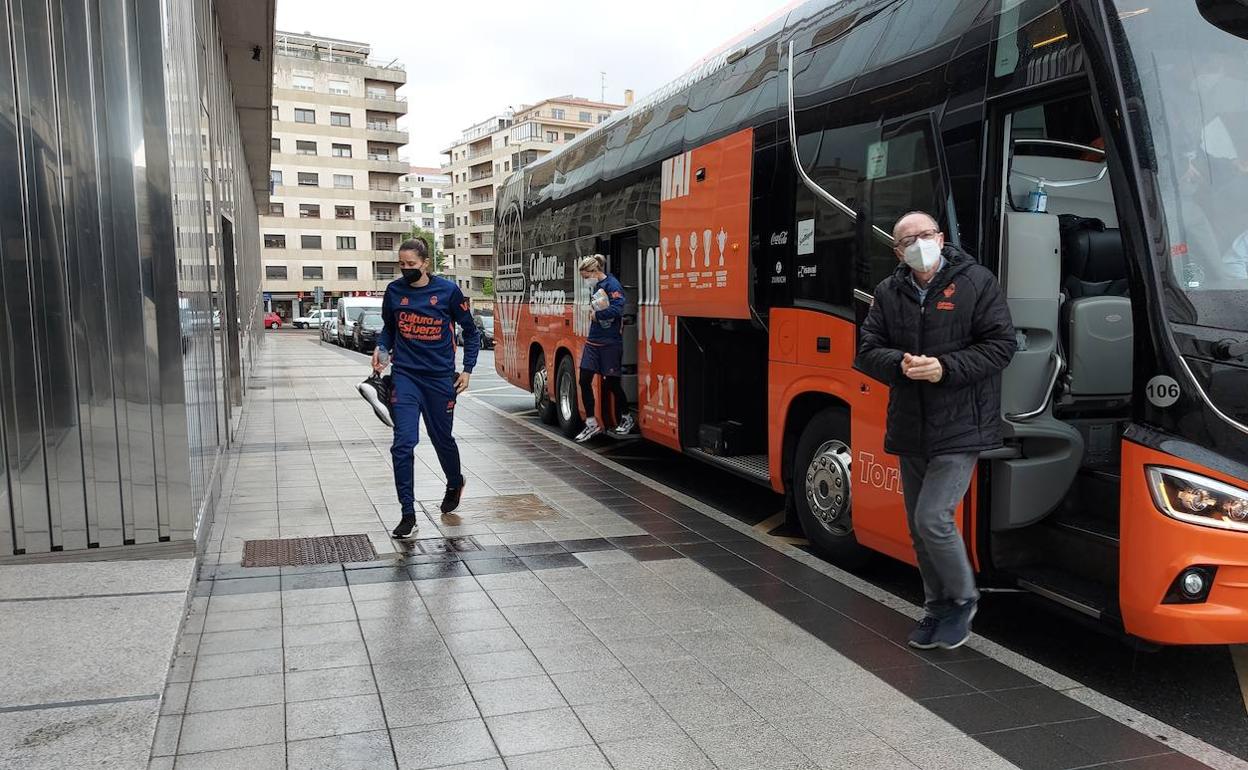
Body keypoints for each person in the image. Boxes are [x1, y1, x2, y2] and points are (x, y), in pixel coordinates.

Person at [855, 212, 1016, 650]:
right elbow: (867, 351)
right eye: (908, 240)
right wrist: (901, 366)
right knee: (917, 525)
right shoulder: (889, 292)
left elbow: (1001, 346)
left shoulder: (976, 281)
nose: (919, 244)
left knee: (932, 516)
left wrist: (945, 367)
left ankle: (963, 600)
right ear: (897, 251)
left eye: (926, 235)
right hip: (911, 425)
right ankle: (936, 607)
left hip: (962, 423)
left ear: (941, 238)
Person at [373, 238, 480, 538]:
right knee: (403, 444)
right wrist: (381, 349)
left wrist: (468, 370)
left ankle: (454, 481)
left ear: (425, 263)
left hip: (439, 379)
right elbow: (390, 329)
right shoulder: (394, 291)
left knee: (441, 438)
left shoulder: (447, 292)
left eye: (411, 264)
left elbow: (471, 333)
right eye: (402, 265)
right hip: (406, 377)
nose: (406, 269)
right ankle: (408, 513)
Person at [575, 254, 635, 441]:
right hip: (594, 340)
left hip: (610, 342)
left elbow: (618, 309)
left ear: (595, 271)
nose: (586, 281)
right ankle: (591, 423)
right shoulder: (598, 287)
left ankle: (626, 417)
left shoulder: (612, 285)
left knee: (611, 383)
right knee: (584, 379)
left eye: (586, 277)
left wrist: (596, 316)